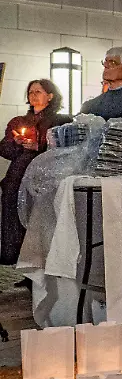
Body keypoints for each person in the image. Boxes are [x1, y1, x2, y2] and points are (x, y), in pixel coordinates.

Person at [1, 79, 71, 265]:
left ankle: (38, 263)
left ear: (50, 95)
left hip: (44, 177)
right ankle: (15, 256)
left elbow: (63, 148)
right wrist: (16, 144)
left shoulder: (60, 121)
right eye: (30, 92)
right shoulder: (19, 122)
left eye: (38, 91)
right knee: (13, 216)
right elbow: (4, 149)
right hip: (17, 176)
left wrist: (38, 146)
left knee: (38, 219)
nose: (33, 95)